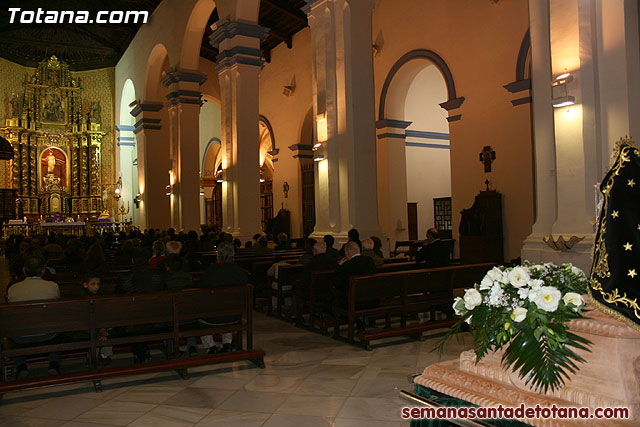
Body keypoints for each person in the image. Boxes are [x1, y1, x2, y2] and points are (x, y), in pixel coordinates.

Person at [7, 255, 61, 378]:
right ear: (43, 271)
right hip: (48, 334)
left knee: (16, 327)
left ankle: (21, 366)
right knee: (56, 326)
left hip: (21, 336)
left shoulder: (13, 289)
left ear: (24, 270)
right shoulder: (52, 286)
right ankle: (54, 363)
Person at [196, 243, 248, 354]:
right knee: (229, 306)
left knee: (200, 316)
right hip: (235, 316)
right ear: (233, 255)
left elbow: (201, 291)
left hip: (212, 317)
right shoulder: (240, 272)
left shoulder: (211, 271)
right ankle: (227, 343)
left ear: (218, 255)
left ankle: (211, 346)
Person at [335, 242, 377, 331]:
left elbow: (337, 283)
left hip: (353, 302)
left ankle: (353, 320)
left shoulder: (347, 265)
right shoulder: (369, 261)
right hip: (371, 299)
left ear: (347, 253)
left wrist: (339, 266)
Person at [81, 273, 112, 365]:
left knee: (107, 332)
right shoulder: (82, 298)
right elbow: (84, 320)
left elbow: (101, 315)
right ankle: (95, 356)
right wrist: (99, 332)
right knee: (97, 336)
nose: (96, 287)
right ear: (85, 285)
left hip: (96, 325)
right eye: (93, 284)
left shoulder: (98, 296)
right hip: (84, 328)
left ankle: (103, 355)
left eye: (98, 284)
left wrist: (103, 328)